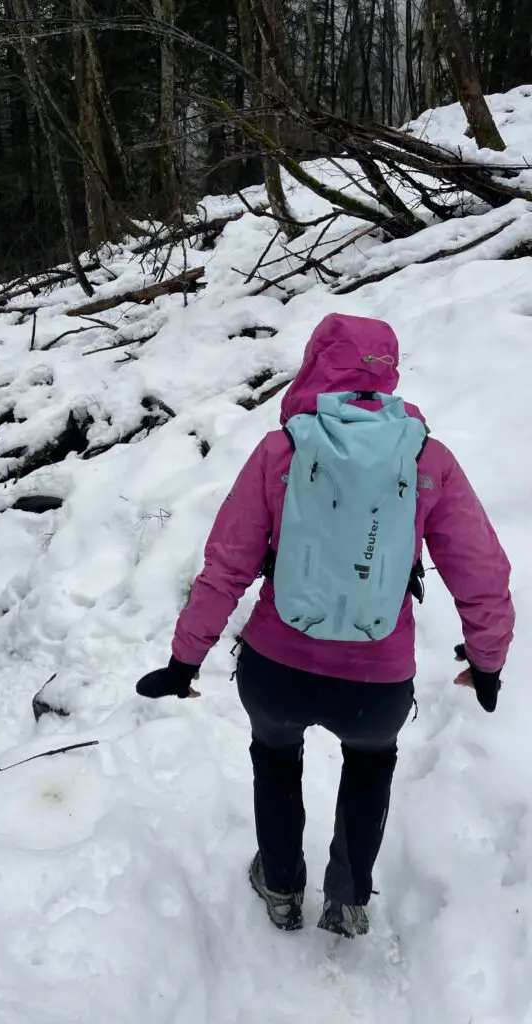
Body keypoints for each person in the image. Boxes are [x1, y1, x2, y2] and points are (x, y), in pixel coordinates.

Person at [136, 313, 514, 939]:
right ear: (387, 372)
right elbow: (481, 572)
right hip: (377, 679)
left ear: (316, 361)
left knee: (275, 757)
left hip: (276, 667)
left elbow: (226, 563)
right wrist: (488, 659)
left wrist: (186, 660)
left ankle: (281, 886)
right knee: (370, 764)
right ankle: (347, 898)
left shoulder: (281, 450)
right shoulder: (427, 458)